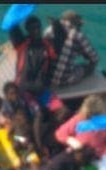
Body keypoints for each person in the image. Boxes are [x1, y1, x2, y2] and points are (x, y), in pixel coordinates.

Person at [9, 15, 69, 156]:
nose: (36, 30)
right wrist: (19, 12)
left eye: (38, 27)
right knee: (37, 114)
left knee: (63, 111)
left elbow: (61, 40)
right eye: (33, 28)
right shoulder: (22, 44)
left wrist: (56, 25)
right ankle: (37, 145)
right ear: (28, 30)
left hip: (41, 91)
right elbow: (12, 27)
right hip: (23, 90)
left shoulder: (47, 45)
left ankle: (50, 137)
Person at [45, 10, 99, 88]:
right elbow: (95, 58)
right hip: (65, 80)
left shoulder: (49, 30)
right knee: (87, 66)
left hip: (47, 78)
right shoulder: (78, 35)